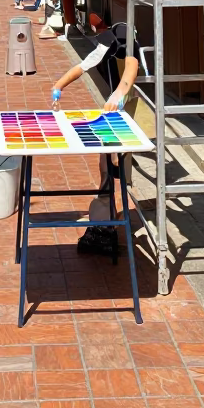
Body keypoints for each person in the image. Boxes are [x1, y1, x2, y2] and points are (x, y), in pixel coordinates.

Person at [50, 27, 141, 255]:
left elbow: (128, 77)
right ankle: (104, 218)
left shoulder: (129, 49)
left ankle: (108, 223)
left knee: (116, 166)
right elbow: (83, 66)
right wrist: (59, 85)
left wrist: (117, 97)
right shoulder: (105, 46)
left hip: (122, 115)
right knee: (105, 167)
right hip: (108, 116)